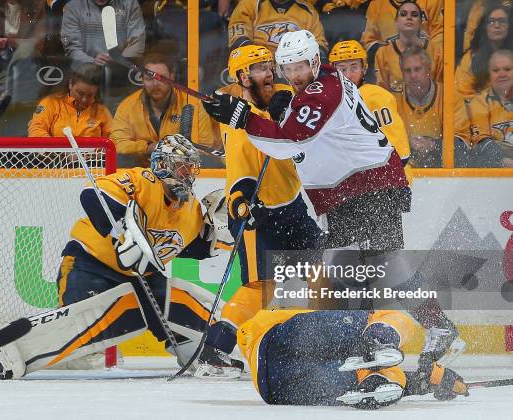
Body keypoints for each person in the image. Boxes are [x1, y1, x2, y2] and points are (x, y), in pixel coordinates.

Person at [202, 29, 463, 367]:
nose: (296, 74)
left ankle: (384, 342)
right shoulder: (315, 88)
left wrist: (244, 117)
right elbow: (297, 133)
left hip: (369, 187)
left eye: (301, 66)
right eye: (289, 68)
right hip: (348, 193)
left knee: (374, 268)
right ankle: (422, 330)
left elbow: (289, 142)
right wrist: (279, 112)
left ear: (315, 61)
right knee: (359, 270)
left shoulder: (324, 91)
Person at [0, 135, 228, 379]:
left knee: (179, 299)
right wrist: (124, 231)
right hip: (90, 265)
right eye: (181, 166)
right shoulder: (142, 181)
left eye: (190, 168)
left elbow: (199, 248)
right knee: (81, 324)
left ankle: (212, 351)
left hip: (142, 278)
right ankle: (4, 358)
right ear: (162, 165)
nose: (187, 174)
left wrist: (230, 224)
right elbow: (93, 195)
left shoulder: (192, 209)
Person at [196, 45, 324, 378]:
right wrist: (242, 205)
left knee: (324, 269)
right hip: (261, 216)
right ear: (242, 77)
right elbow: (239, 175)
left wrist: (289, 106)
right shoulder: (237, 124)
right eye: (258, 68)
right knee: (261, 286)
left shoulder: (280, 99)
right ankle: (214, 350)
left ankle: (328, 341)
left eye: (269, 66)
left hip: (294, 207)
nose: (268, 73)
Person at [238, 308, 469, 408]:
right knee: (393, 319)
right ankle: (377, 350)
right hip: (282, 347)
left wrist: (433, 379)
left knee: (376, 373)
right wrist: (433, 378)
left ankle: (375, 381)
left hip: (275, 387)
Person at [110, 53, 220, 167]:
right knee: (120, 160)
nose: (155, 84)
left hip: (183, 169)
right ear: (142, 79)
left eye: (161, 78)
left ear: (172, 77)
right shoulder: (127, 106)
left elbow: (205, 146)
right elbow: (117, 144)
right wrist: (148, 147)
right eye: (149, 78)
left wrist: (173, 152)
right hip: (141, 172)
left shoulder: (193, 103)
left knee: (208, 163)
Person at [329, 39, 412, 181]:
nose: (348, 75)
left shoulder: (376, 97)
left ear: (364, 68)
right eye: (342, 69)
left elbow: (399, 148)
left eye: (354, 67)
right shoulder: (330, 101)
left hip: (389, 180)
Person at [458, 49, 513, 168]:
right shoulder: (478, 103)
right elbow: (482, 144)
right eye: (496, 70)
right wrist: (506, 162)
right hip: (495, 174)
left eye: (507, 69)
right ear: (489, 74)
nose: (502, 74)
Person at [395, 46, 448, 168]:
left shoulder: (449, 96)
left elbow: (462, 143)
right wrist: (407, 144)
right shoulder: (393, 99)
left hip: (442, 172)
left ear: (428, 70)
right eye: (407, 70)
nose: (413, 75)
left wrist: (434, 145)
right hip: (406, 171)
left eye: (418, 69)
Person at [374, 0, 442, 93]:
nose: (409, 17)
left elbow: (440, 90)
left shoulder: (436, 51)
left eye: (414, 15)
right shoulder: (383, 53)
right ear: (396, 22)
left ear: (421, 22)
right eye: (403, 14)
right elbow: (382, 93)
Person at [28, 63, 113, 137]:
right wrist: (60, 152)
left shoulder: (102, 112)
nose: (84, 100)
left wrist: (96, 153)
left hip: (92, 156)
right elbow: (36, 129)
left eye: (90, 95)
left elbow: (113, 139)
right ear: (70, 84)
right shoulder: (50, 103)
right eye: (80, 93)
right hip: (54, 155)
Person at [227, 0, 328, 57]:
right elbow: (238, 38)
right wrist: (259, 58)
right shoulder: (249, 4)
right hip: (257, 61)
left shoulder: (308, 11)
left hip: (295, 65)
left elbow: (320, 44)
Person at [60, 0, 145, 65]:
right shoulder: (73, 6)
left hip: (124, 69)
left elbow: (137, 40)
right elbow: (72, 48)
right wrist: (92, 61)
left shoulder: (130, 3)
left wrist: (121, 61)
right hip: (85, 71)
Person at [361, 0, 443, 59]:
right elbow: (368, 41)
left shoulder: (432, 2)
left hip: (425, 64)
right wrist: (388, 51)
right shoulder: (376, 5)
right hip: (389, 66)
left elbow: (441, 33)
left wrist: (425, 51)